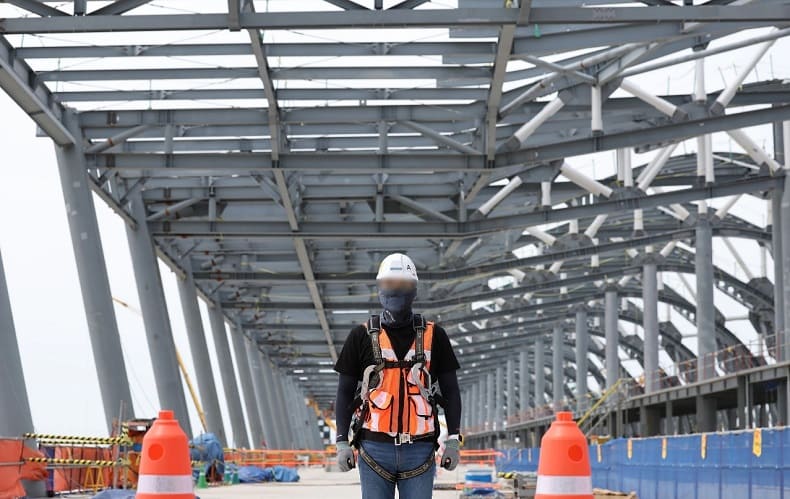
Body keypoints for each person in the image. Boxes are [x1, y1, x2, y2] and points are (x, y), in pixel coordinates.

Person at [333, 253, 463, 499]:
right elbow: (344, 391)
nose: (395, 291)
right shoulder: (360, 336)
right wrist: (342, 441)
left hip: (421, 449)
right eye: (389, 284)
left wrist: (454, 440)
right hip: (373, 449)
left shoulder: (436, 336)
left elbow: (451, 390)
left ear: (414, 289)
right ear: (379, 287)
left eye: (403, 285)